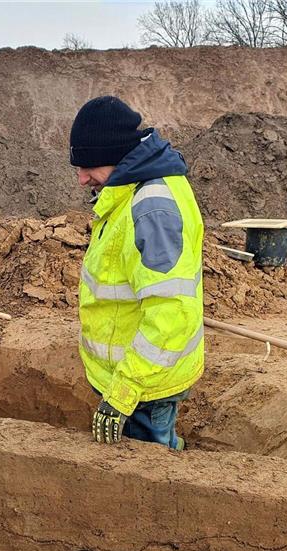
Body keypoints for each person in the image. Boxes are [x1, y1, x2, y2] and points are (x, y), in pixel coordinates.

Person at [70, 96, 204, 451]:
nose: (82, 179)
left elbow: (170, 315)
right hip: (138, 379)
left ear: (117, 157)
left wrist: (124, 392)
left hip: (144, 387)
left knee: (148, 477)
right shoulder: (130, 191)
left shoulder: (151, 210)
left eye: (89, 166)